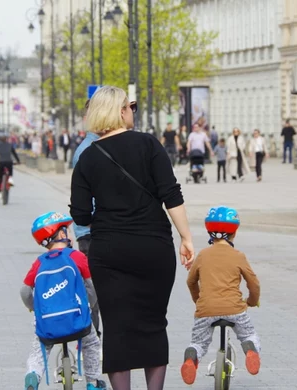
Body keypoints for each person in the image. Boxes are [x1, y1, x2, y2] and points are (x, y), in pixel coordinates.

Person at [70, 86, 195, 390]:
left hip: (110, 251)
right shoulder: (148, 144)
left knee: (116, 328)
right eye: (129, 107)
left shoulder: (87, 157)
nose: (131, 112)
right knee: (153, 324)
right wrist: (186, 237)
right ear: (120, 111)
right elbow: (171, 194)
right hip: (154, 248)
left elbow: (81, 216)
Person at [20, 212, 107, 390]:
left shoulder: (39, 263)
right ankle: (92, 383)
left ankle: (32, 377)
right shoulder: (76, 257)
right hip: (77, 320)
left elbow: (25, 291)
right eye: (66, 230)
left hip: (48, 322)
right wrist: (89, 304)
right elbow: (92, 286)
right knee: (91, 343)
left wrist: (34, 308)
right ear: (60, 235)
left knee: (40, 348)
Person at [181, 206, 261, 385]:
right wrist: (252, 301)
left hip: (205, 310)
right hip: (235, 309)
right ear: (234, 232)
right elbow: (253, 283)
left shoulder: (202, 255)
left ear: (209, 231)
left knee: (199, 343)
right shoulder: (238, 255)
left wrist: (199, 301)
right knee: (249, 335)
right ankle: (250, 350)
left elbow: (190, 282)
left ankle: (190, 359)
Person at [71, 99, 101, 337]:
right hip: (93, 232)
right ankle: (93, 342)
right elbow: (83, 202)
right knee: (95, 292)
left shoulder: (91, 147)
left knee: (95, 291)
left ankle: (94, 342)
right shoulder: (89, 150)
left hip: (90, 232)